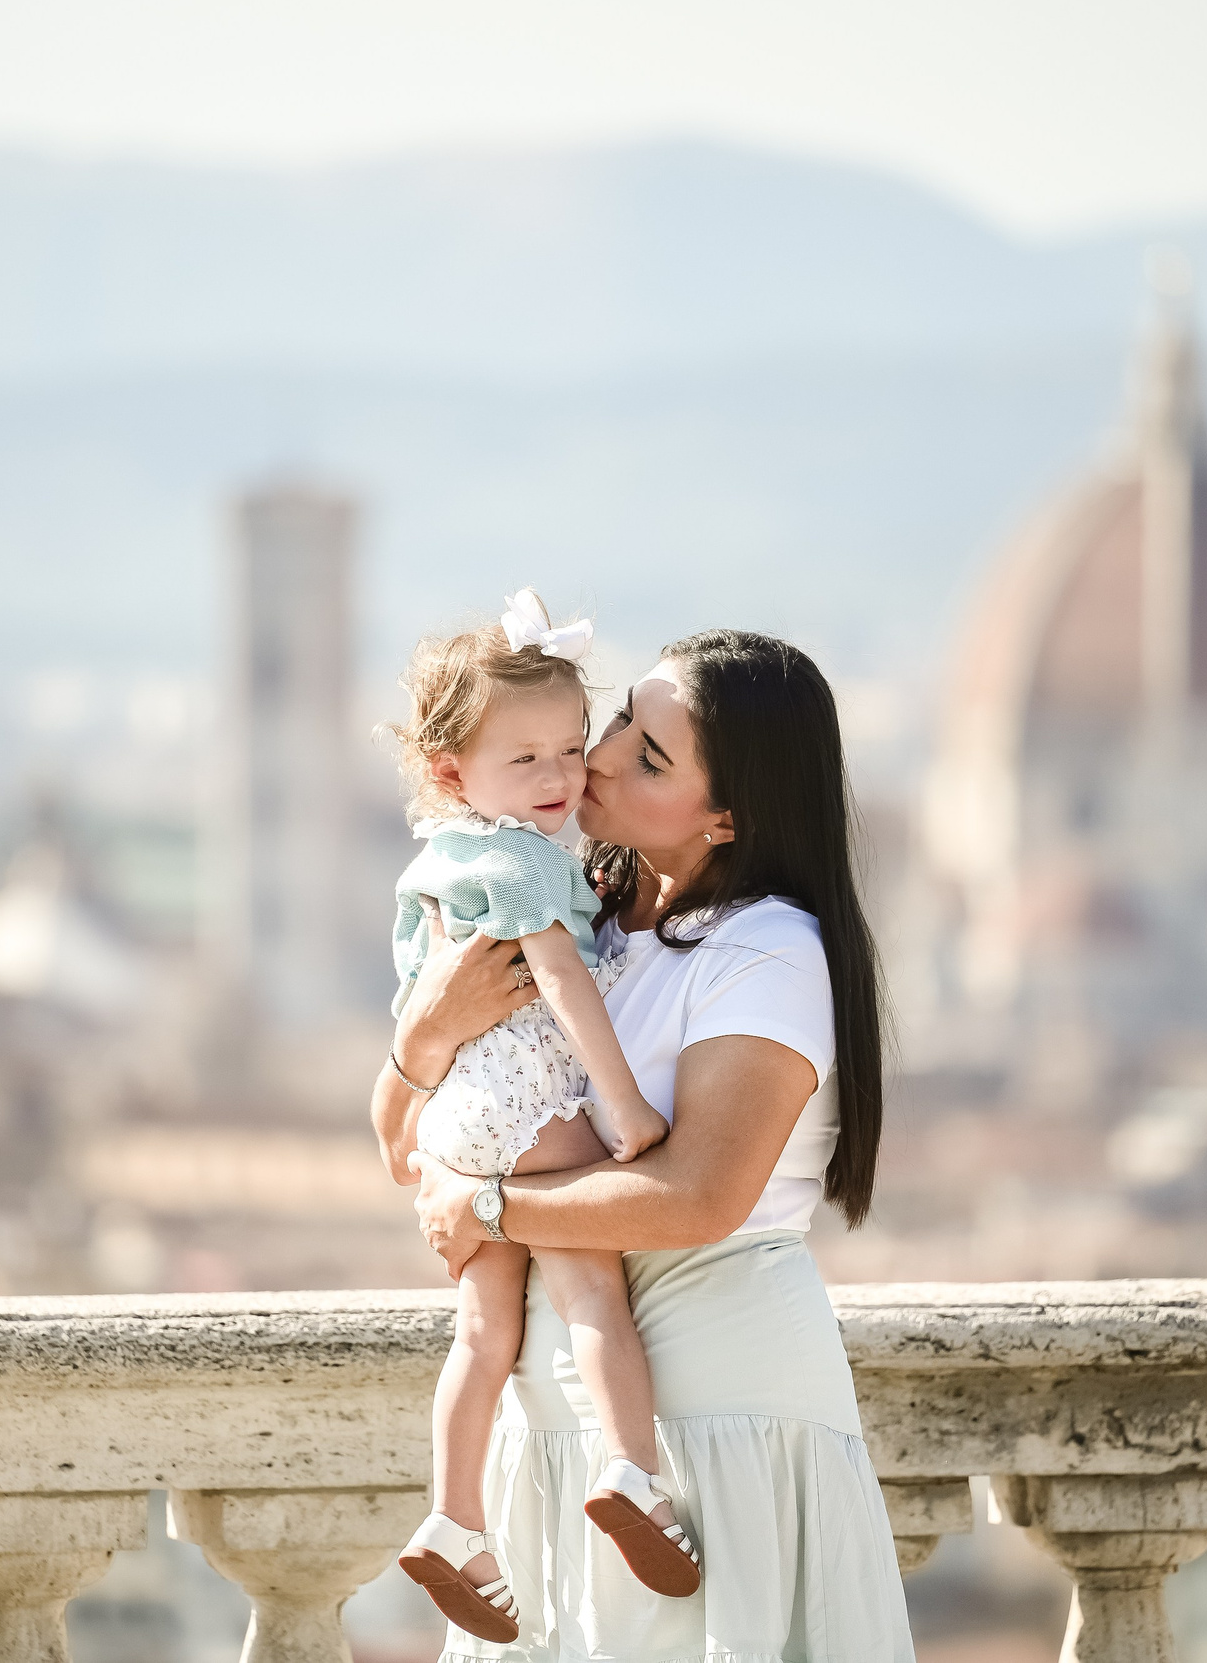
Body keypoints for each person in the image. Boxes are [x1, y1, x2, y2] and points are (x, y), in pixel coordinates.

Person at [372, 628, 916, 1662]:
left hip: (713, 1425)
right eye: (619, 720)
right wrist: (430, 1027)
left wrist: (488, 1209)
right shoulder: (577, 913)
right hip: (561, 1442)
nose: (599, 757)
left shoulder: (767, 950)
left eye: (648, 756)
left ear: (725, 818)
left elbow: (699, 1194)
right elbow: (401, 1143)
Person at [382, 591, 700, 1643]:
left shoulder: (439, 860)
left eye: (571, 748)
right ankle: (634, 1473)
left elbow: (413, 1015)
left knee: (483, 1334)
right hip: (530, 1099)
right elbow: (559, 979)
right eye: (527, 761)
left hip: (460, 1114)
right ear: (450, 770)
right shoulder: (525, 860)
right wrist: (621, 1106)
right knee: (594, 1292)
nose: (562, 779)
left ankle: (454, 1518)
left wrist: (418, 1114)